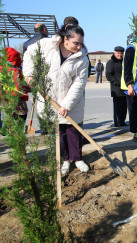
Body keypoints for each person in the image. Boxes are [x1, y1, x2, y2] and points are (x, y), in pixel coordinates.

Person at [23, 24, 90, 174]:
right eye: (76, 43)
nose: (79, 47)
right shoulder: (47, 45)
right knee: (59, 134)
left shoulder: (82, 59)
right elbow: (28, 54)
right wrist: (29, 73)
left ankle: (78, 159)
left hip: (71, 101)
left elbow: (79, 84)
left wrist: (66, 104)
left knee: (73, 131)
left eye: (81, 43)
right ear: (66, 39)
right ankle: (65, 160)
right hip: (50, 98)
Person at [1, 47, 30, 125]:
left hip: (7, 96)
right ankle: (17, 132)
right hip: (17, 96)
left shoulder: (3, 69)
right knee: (22, 114)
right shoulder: (15, 70)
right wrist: (28, 89)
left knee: (11, 114)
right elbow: (19, 85)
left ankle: (9, 130)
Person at [106, 46, 129, 127]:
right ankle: (117, 122)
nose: (120, 55)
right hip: (116, 89)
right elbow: (108, 75)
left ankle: (122, 121)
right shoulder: (111, 62)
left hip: (125, 88)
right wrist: (116, 82)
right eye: (118, 53)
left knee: (124, 106)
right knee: (117, 107)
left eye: (121, 53)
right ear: (114, 53)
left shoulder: (124, 62)